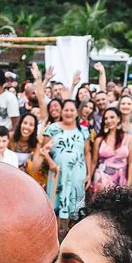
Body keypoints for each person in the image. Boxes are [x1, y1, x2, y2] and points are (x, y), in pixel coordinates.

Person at [42, 97, 90, 237]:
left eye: (72, 110)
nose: (69, 113)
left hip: (77, 173)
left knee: (74, 209)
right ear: (61, 112)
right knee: (55, 206)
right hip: (57, 173)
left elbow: (87, 153)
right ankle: (54, 239)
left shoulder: (84, 130)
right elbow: (44, 150)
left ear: (77, 112)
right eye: (66, 110)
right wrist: (50, 161)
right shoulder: (52, 128)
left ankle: (69, 239)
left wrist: (89, 175)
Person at [91, 107, 132, 192]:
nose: (108, 120)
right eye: (106, 118)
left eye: (112, 117)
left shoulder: (129, 138)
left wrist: (129, 183)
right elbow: (94, 161)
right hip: (101, 180)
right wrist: (89, 177)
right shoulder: (99, 140)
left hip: (121, 180)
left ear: (118, 118)